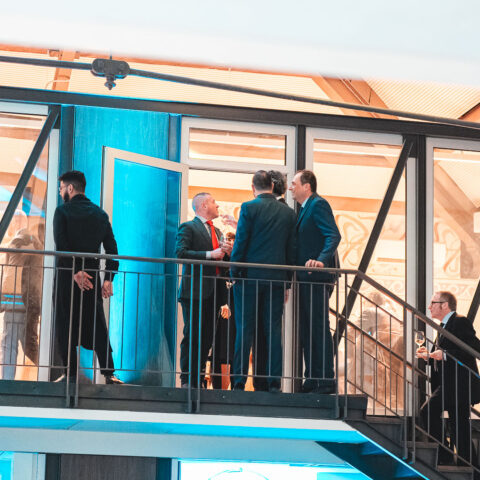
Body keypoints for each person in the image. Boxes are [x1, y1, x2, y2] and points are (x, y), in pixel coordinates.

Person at [53, 170, 123, 384]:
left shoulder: (62, 212)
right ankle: (109, 373)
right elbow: (112, 250)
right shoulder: (100, 214)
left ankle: (70, 374)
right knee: (96, 323)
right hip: (92, 277)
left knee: (65, 322)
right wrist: (108, 278)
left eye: (61, 188)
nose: (60, 192)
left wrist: (76, 271)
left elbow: (62, 247)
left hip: (67, 275)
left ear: (70, 188)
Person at [231, 170, 296, 392]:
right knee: (273, 331)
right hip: (276, 280)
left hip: (249, 279)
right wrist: (287, 283)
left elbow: (241, 242)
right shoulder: (288, 213)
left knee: (244, 330)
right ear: (272, 186)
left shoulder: (249, 208)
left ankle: (239, 382)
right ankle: (273, 383)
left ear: (253, 187)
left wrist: (235, 272)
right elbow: (291, 250)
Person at [289, 169, 341, 394]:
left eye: (294, 183)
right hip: (306, 277)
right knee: (309, 328)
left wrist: (321, 260)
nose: (290, 187)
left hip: (317, 276)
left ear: (307, 186)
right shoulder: (305, 208)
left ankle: (325, 380)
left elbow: (333, 235)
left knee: (318, 327)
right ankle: (312, 377)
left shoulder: (318, 204)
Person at [416, 291, 480, 465]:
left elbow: (473, 350)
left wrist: (445, 354)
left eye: (433, 303)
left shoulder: (459, 322)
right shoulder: (444, 326)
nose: (429, 307)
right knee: (459, 426)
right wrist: (429, 356)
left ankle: (444, 455)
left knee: (428, 411)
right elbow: (443, 356)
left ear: (444, 305)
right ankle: (469, 466)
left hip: (458, 384)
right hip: (451, 384)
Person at [176, 192, 232, 388]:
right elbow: (180, 253)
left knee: (207, 338)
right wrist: (210, 254)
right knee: (192, 335)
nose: (218, 206)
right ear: (203, 205)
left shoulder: (217, 231)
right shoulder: (188, 227)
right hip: (195, 291)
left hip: (214, 291)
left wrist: (227, 253)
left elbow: (221, 260)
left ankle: (199, 378)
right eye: (214, 202)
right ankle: (187, 380)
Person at [0, 229, 43, 380]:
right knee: (26, 344)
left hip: (14, 299)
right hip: (20, 300)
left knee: (10, 343)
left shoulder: (17, 244)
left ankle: (7, 380)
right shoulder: (25, 246)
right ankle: (49, 370)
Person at [210, 231, 236, 390]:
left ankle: (234, 384)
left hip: (235, 309)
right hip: (219, 308)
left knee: (232, 345)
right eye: (227, 241)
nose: (229, 244)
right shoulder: (218, 261)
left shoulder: (237, 259)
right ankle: (218, 385)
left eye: (232, 241)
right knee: (219, 344)